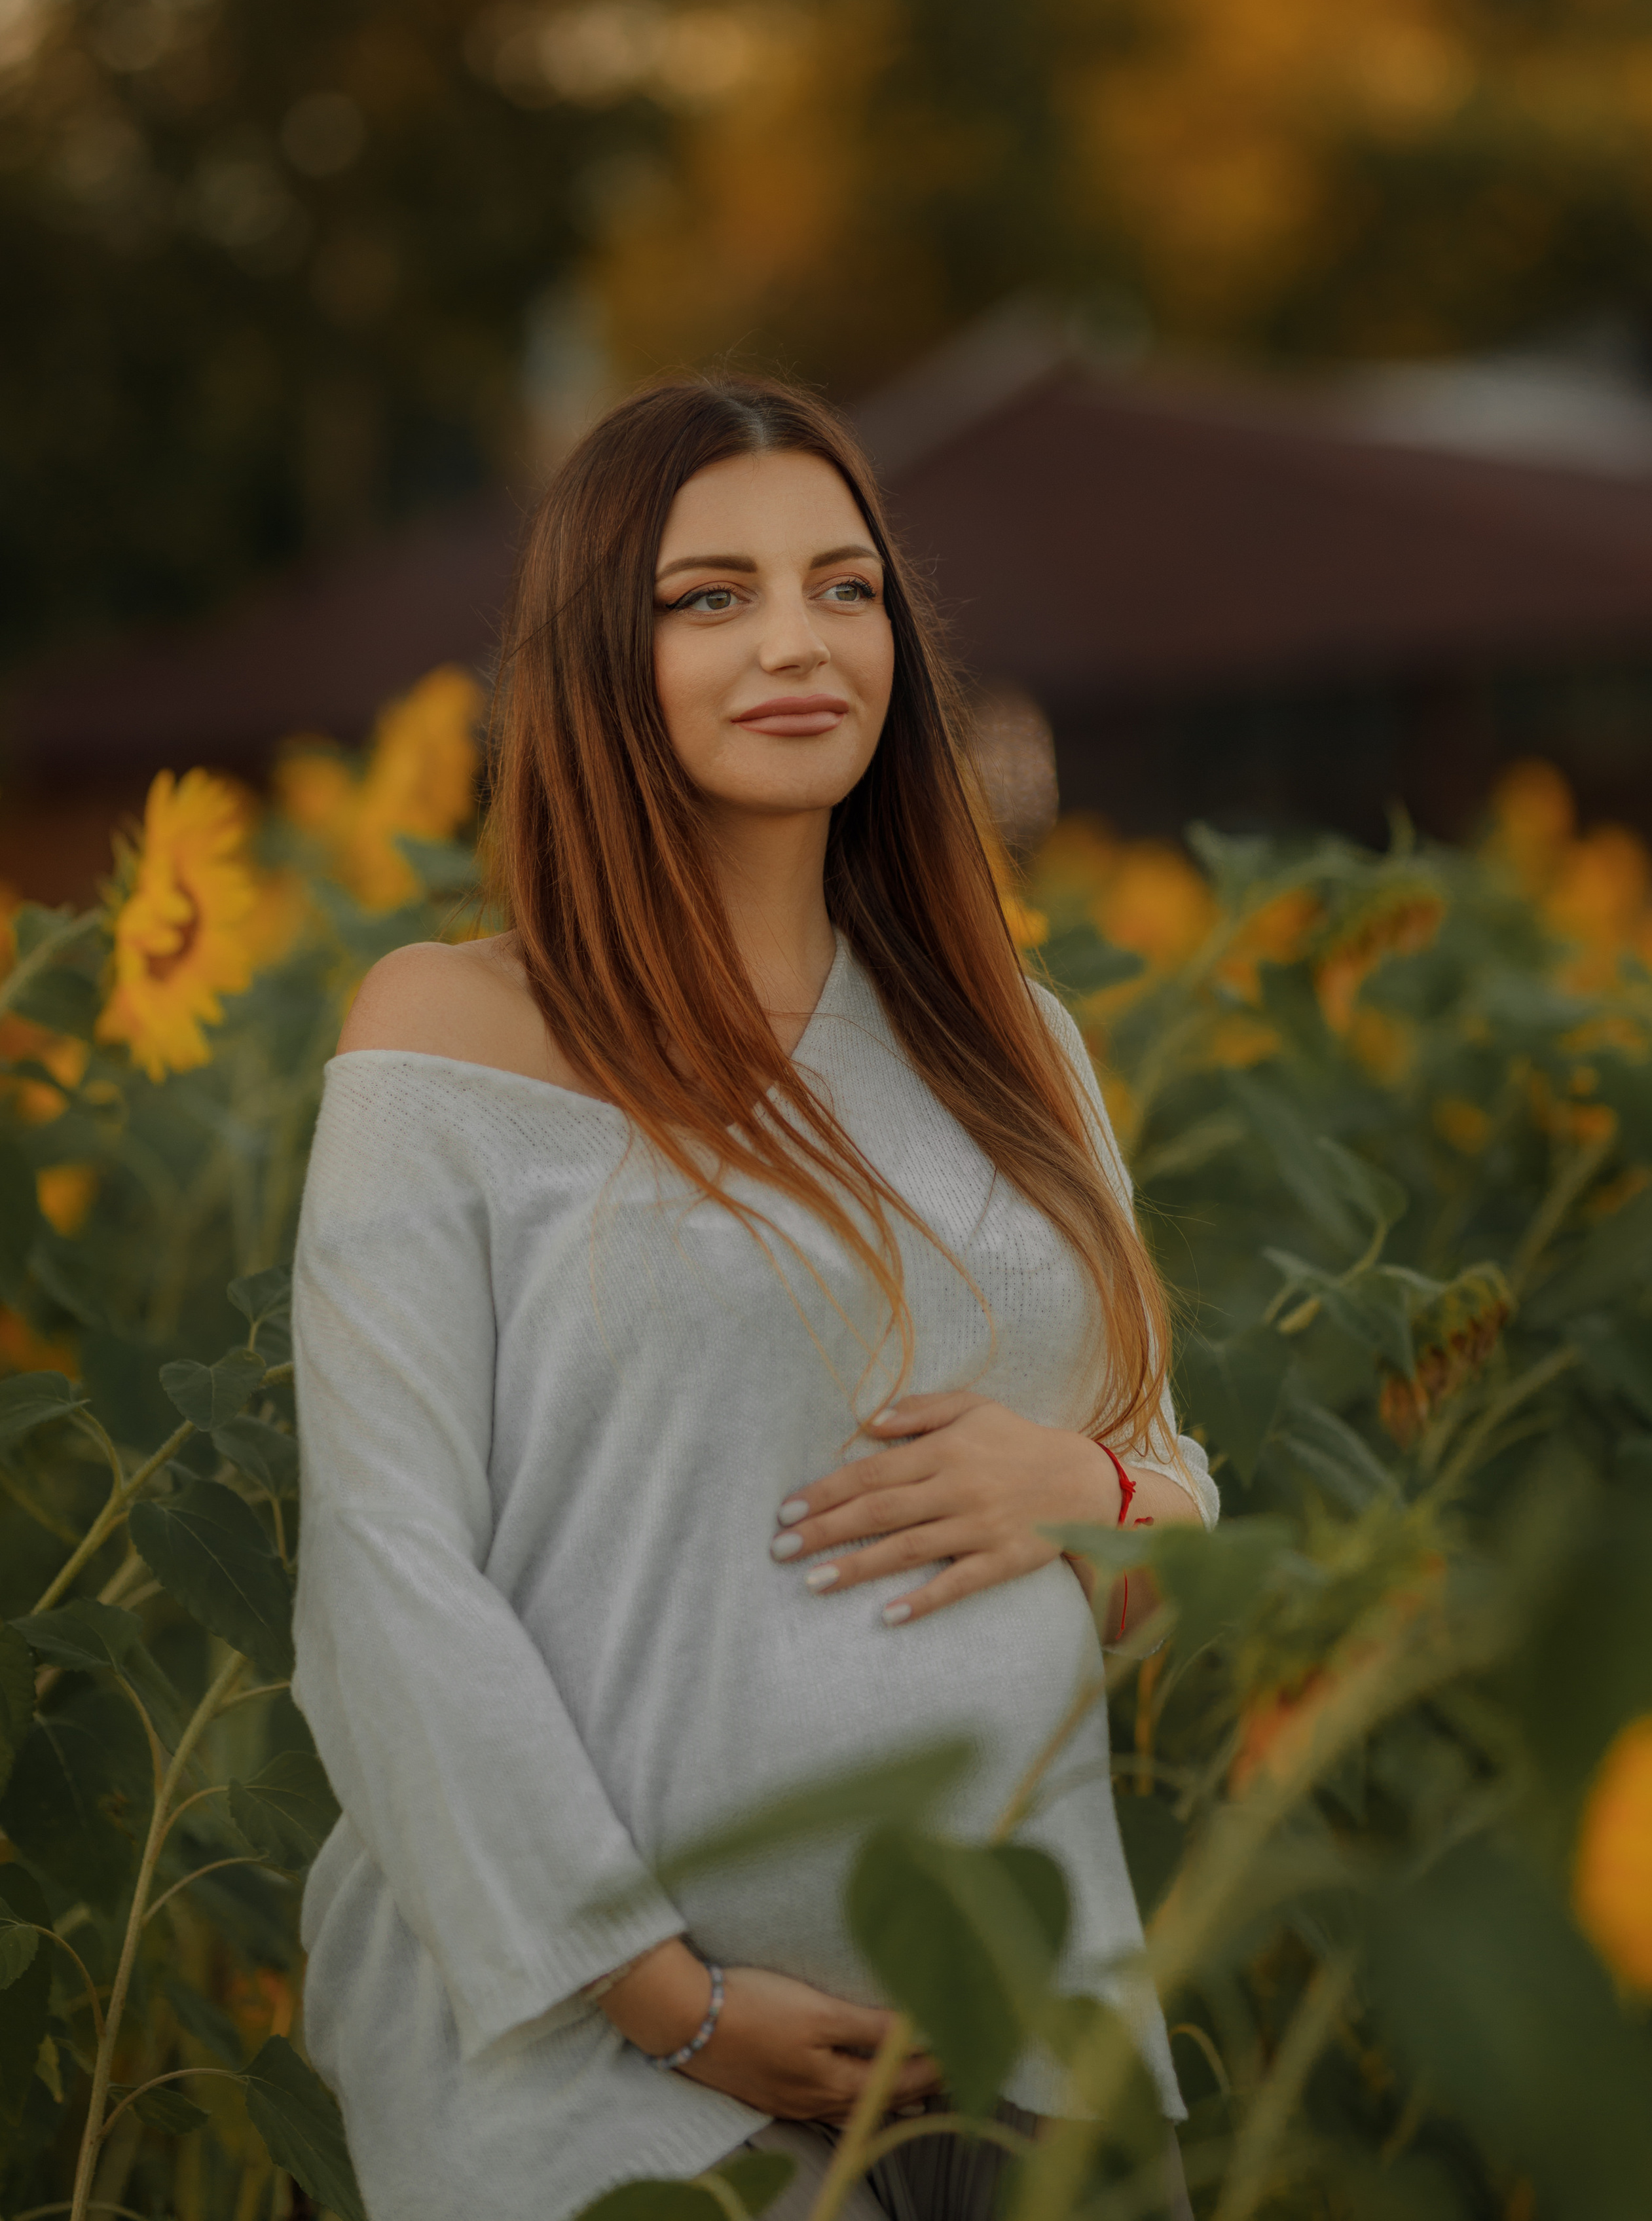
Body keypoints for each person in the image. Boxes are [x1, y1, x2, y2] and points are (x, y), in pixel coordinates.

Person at [289, 374, 1217, 2221]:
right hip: (607, 2072)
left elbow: (1167, 1471)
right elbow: (385, 1571)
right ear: (595, 661)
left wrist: (1099, 1499)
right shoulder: (454, 1033)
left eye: (844, 588)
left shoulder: (1011, 1043)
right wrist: (664, 1995)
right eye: (709, 597)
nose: (796, 641)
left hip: (1028, 2025)